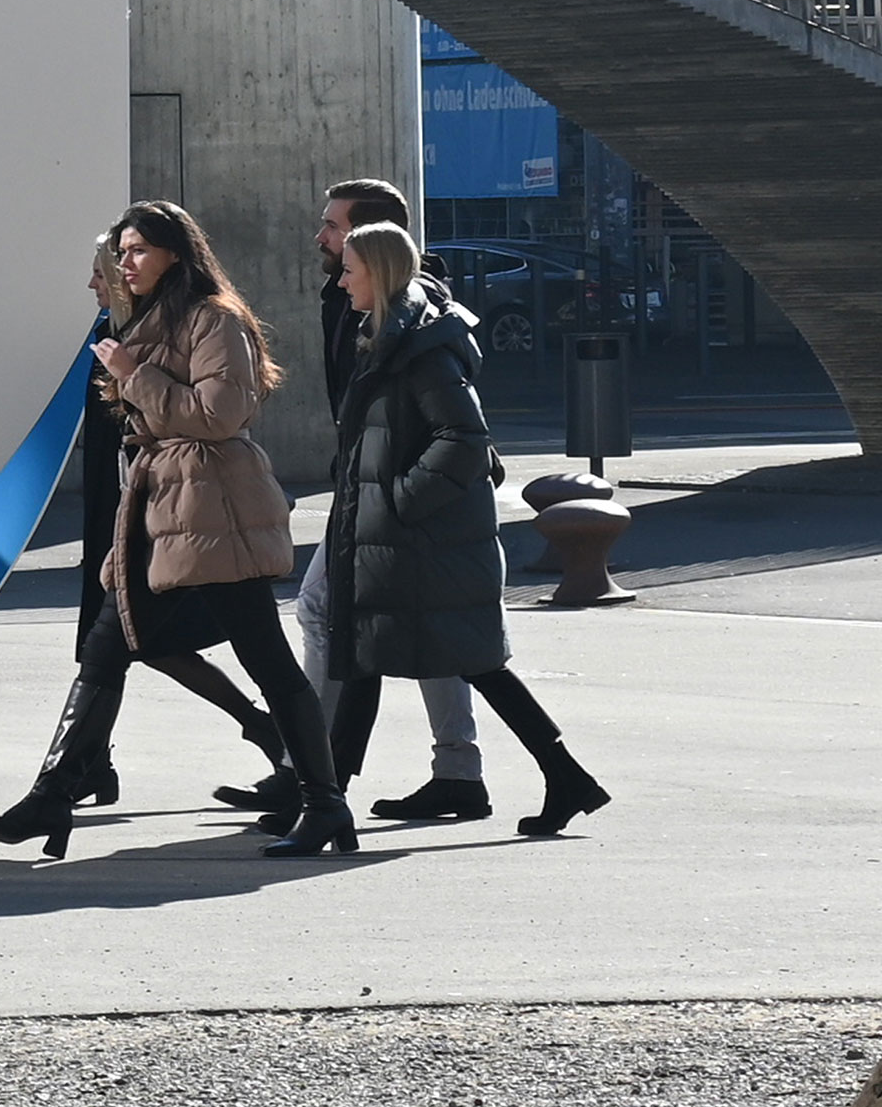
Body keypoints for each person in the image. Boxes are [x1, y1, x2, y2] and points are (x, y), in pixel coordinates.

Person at [0, 202, 345, 860]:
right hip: (158, 507)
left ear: (176, 252)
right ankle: (51, 796)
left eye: (138, 250)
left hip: (212, 506)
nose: (126, 264)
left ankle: (325, 804)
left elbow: (218, 416)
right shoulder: (148, 320)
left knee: (267, 658)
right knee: (106, 649)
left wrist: (134, 375)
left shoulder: (214, 319)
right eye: (123, 251)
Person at [279, 221, 609, 853]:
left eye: (350, 268)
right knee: (371, 658)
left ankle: (328, 806)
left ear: (378, 270)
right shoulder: (391, 335)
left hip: (420, 541)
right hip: (395, 537)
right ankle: (330, 804)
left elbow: (463, 439)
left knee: (441, 660)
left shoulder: (421, 346)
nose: (340, 280)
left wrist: (400, 502)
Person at [219, 178, 491, 826]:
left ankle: (315, 775)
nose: (322, 240)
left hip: (391, 503)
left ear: (374, 242)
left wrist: (397, 496)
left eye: (335, 229)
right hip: (368, 492)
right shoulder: (349, 300)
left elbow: (459, 433)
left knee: (337, 616)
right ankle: (438, 772)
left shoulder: (414, 317)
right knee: (422, 631)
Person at [62, 248, 291, 808]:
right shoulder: (113, 336)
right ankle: (85, 766)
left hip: (180, 513)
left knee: (157, 642)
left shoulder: (176, 332)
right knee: (114, 644)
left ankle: (294, 759)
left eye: (104, 271)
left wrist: (132, 375)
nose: (93, 281)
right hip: (127, 511)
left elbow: (204, 417)